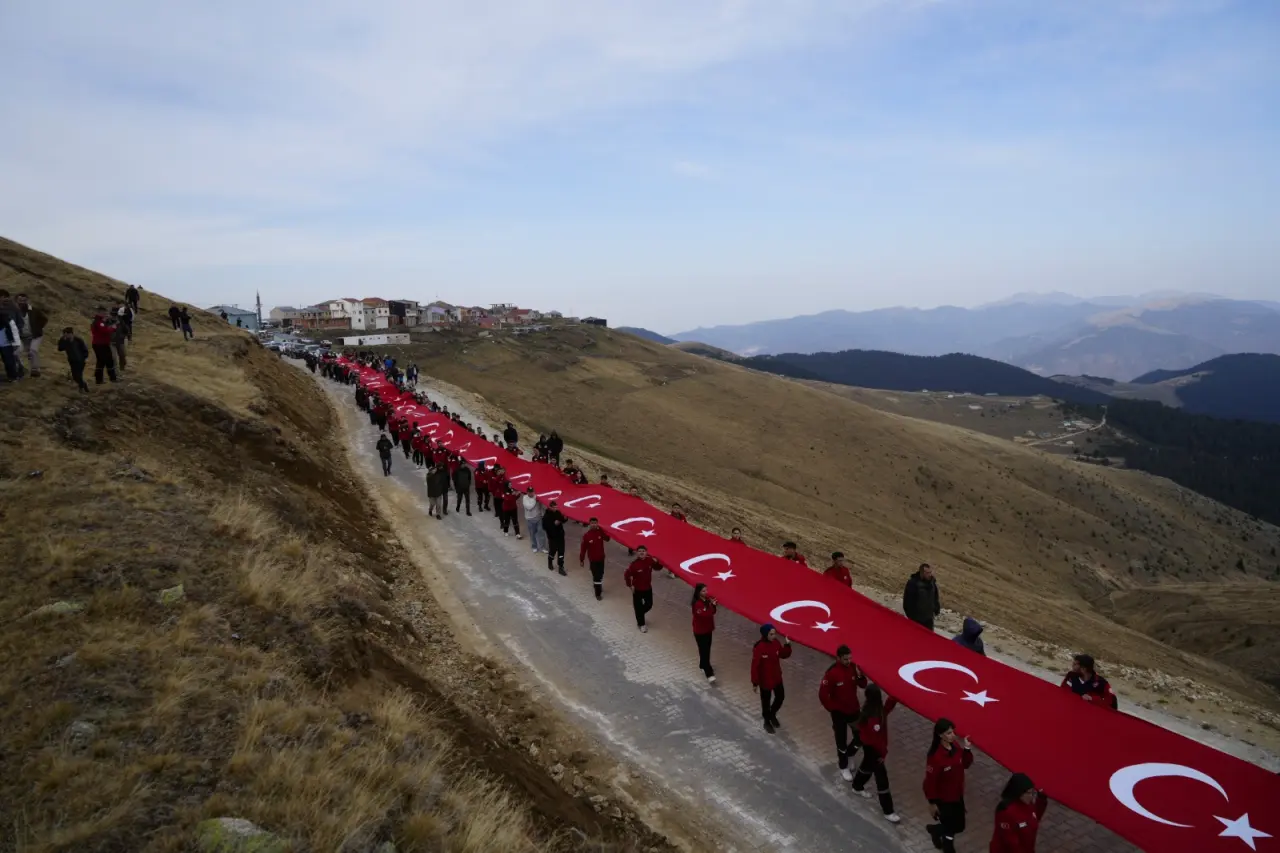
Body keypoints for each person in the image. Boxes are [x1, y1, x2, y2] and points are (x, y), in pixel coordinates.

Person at [852, 684, 900, 823]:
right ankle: (888, 810)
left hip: (871, 748)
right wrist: (882, 754)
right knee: (881, 779)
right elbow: (874, 739)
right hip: (874, 749)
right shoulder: (872, 716)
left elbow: (886, 710)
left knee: (867, 766)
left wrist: (893, 699)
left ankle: (857, 786)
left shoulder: (873, 710)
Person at [924, 718, 974, 852]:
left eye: (953, 732)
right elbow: (930, 781)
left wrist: (967, 749)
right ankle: (948, 848)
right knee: (950, 826)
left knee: (959, 826)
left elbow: (966, 764)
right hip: (944, 799)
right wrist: (932, 802)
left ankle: (935, 830)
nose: (953, 735)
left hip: (957, 795)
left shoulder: (956, 746)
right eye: (949, 733)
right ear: (940, 735)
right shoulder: (936, 757)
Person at [819, 645, 867, 781]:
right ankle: (843, 766)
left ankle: (851, 754)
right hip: (839, 714)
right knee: (841, 742)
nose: (849, 661)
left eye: (850, 658)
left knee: (861, 736)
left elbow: (863, 684)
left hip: (854, 710)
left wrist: (860, 676)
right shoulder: (832, 673)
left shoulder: (853, 668)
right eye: (846, 659)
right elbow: (823, 695)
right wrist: (833, 709)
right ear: (838, 658)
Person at [750, 624, 793, 733]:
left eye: (774, 633)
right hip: (765, 680)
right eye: (771, 634)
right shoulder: (759, 647)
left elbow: (783, 654)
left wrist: (788, 645)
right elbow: (755, 666)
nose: (774, 636)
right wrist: (755, 683)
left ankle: (772, 714)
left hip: (776, 677)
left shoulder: (776, 643)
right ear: (765, 634)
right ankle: (767, 721)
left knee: (780, 697)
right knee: (766, 702)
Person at [989, 773, 1048, 853]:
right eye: (1028, 793)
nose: (1031, 796)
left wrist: (1041, 800)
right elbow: (1011, 843)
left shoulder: (1027, 803)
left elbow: (1034, 816)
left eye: (1032, 792)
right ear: (1018, 792)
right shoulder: (1006, 812)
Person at [624, 545, 658, 632]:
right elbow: (627, 575)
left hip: (647, 588)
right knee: (638, 606)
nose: (642, 552)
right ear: (637, 553)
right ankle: (641, 624)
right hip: (637, 589)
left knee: (649, 605)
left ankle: (639, 614)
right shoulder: (634, 565)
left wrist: (657, 562)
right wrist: (630, 585)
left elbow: (657, 568)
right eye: (639, 551)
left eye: (643, 551)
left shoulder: (650, 560)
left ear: (646, 552)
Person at [15, 294, 48, 378]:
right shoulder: (14, 311)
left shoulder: (34, 310)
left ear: (27, 301)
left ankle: (35, 370)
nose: (22, 302)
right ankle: (20, 368)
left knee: (33, 351)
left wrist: (38, 327)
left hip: (35, 336)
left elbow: (44, 319)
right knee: (17, 351)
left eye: (24, 300)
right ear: (16, 301)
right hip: (21, 337)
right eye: (20, 300)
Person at [691, 583, 718, 683]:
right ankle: (709, 672)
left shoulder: (706, 601)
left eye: (706, 590)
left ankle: (702, 664)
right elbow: (705, 615)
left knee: (707, 649)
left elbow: (712, 613)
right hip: (700, 632)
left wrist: (713, 605)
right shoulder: (697, 604)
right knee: (704, 651)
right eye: (703, 591)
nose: (706, 592)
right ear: (698, 592)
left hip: (708, 630)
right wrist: (711, 606)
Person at [579, 517, 610, 600]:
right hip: (593, 560)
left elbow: (607, 539)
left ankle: (597, 585)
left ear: (597, 524)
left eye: (595, 523)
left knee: (601, 574)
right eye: (592, 523)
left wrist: (606, 531)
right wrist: (581, 560)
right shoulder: (586, 536)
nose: (594, 525)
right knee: (596, 576)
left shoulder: (600, 532)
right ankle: (598, 593)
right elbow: (583, 549)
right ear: (589, 524)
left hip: (601, 558)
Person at [903, 563, 941, 630]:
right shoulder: (913, 583)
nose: (930, 575)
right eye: (927, 573)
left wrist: (936, 608)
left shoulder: (932, 583)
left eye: (930, 572)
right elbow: (907, 602)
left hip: (929, 619)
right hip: (916, 620)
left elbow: (935, 597)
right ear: (922, 573)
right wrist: (911, 617)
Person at [89, 308, 119, 384]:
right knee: (108, 361)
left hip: (101, 344)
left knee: (101, 362)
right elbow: (104, 331)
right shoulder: (98, 322)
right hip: (100, 344)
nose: (105, 314)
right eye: (104, 313)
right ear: (99, 312)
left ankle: (99, 380)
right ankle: (112, 378)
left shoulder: (100, 321)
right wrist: (112, 328)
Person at [56, 327, 91, 392]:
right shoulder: (65, 340)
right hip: (72, 361)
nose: (66, 335)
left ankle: (82, 387)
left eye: (67, 334)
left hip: (80, 361)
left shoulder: (78, 340)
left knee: (78, 375)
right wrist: (62, 340)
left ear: (71, 333)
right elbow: (60, 348)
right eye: (64, 334)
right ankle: (83, 385)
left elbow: (85, 350)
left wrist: (84, 357)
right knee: (75, 377)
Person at [0, 291, 22, 381]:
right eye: (4, 297)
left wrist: (16, 342)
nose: (5, 299)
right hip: (4, 337)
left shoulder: (10, 308)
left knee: (9, 358)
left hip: (4, 338)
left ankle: (13, 376)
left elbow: (13, 326)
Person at [543, 499, 568, 575]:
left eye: (556, 507)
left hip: (560, 535)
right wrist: (554, 524)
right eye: (554, 507)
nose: (555, 509)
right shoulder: (546, 516)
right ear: (550, 507)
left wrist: (565, 519)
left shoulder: (558, 512)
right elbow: (545, 527)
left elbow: (561, 520)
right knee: (553, 550)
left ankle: (561, 567)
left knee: (561, 551)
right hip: (552, 536)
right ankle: (550, 561)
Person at [522, 487, 545, 551]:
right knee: (532, 534)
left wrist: (542, 514)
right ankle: (534, 546)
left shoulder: (537, 497)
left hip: (539, 518)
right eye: (529, 492)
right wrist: (535, 500)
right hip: (530, 519)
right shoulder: (525, 498)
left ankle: (542, 547)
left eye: (532, 492)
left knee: (541, 533)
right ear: (527, 492)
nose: (531, 493)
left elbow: (542, 506)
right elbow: (529, 507)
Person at [111, 307, 130, 372]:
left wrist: (122, 336)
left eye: (115, 315)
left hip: (120, 341)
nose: (114, 316)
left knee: (122, 355)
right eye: (113, 314)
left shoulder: (121, 321)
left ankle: (122, 367)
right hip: (111, 342)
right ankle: (115, 371)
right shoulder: (108, 321)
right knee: (113, 357)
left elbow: (126, 330)